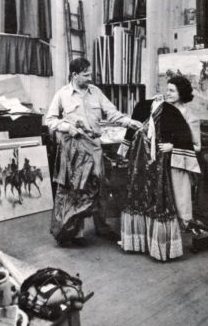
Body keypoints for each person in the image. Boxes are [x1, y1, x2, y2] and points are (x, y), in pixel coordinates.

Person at [45, 57, 142, 246]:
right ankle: (76, 233)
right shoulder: (62, 94)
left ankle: (102, 227)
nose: (90, 77)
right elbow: (50, 120)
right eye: (86, 74)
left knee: (99, 187)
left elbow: (111, 112)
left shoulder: (95, 92)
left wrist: (129, 121)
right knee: (77, 189)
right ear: (75, 75)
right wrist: (66, 127)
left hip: (94, 147)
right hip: (74, 148)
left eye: (90, 73)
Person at [120, 75, 201, 261]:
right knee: (155, 203)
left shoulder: (190, 116)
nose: (168, 93)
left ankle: (169, 244)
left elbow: (196, 146)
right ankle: (150, 241)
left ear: (182, 93)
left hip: (175, 166)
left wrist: (173, 146)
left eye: (172, 90)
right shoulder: (160, 110)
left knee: (175, 205)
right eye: (168, 89)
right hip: (156, 167)